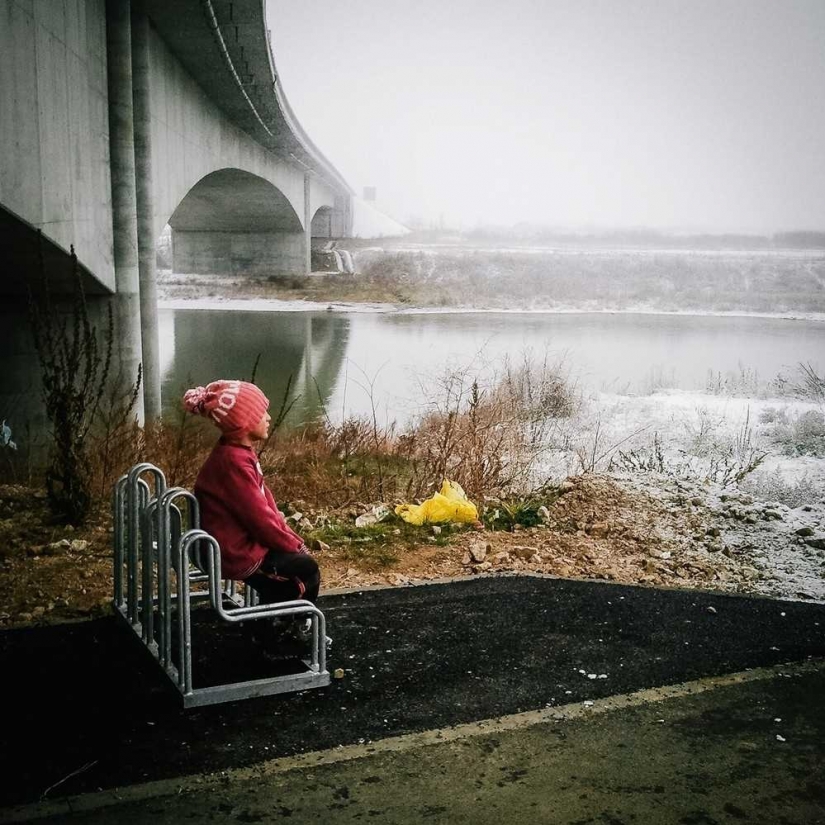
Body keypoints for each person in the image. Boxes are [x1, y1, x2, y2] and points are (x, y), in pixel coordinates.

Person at [183, 379, 323, 658]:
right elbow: (259, 519)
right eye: (262, 413)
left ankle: (272, 630)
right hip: (235, 553)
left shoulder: (237, 454)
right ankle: (276, 635)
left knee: (294, 568)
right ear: (244, 424)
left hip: (237, 543)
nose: (268, 417)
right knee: (303, 572)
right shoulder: (234, 462)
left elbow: (265, 502)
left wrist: (289, 537)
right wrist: (293, 545)